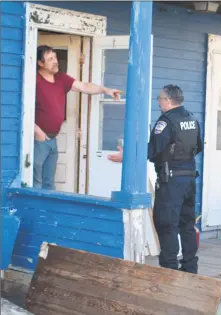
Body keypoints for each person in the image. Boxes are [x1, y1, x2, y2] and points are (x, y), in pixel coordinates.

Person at [108, 85, 203, 274]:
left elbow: (152, 150)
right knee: (187, 225)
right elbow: (198, 147)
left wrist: (127, 155)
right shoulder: (192, 119)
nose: (158, 102)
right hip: (189, 180)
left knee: (166, 224)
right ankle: (190, 268)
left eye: (160, 99)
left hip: (171, 181)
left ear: (167, 101)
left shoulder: (166, 122)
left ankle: (168, 270)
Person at [34, 45, 121, 190]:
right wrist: (37, 131)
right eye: (50, 59)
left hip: (52, 139)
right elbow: (23, 108)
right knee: (35, 183)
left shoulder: (61, 78)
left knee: (49, 183)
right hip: (38, 140)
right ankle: (32, 212)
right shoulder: (34, 80)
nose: (55, 61)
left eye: (55, 57)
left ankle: (47, 212)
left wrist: (106, 90)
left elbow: (84, 86)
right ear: (40, 63)